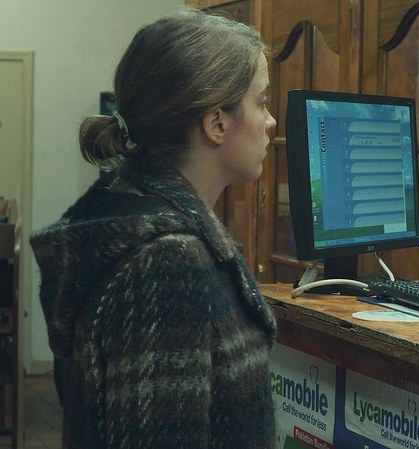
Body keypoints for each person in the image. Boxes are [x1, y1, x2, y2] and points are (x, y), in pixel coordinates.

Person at [29, 8, 278, 449]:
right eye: (261, 102)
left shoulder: (133, 216)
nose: (270, 121)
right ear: (217, 123)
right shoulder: (165, 261)